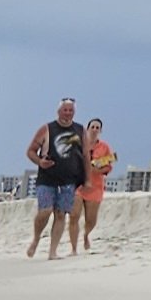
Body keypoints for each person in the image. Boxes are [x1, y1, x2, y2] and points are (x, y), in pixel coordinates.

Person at [25, 99, 88, 258]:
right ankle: (36, 239)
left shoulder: (80, 130)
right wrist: (40, 162)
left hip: (69, 180)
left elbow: (86, 155)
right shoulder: (47, 129)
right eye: (65, 110)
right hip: (47, 178)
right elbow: (31, 151)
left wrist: (87, 179)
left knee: (61, 214)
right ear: (58, 112)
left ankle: (53, 251)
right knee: (45, 211)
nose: (68, 113)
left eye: (70, 110)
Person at [77, 117, 115, 249]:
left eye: (97, 128)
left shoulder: (104, 147)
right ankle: (73, 246)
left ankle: (86, 235)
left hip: (95, 186)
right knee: (74, 214)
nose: (94, 130)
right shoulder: (79, 144)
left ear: (100, 131)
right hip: (79, 184)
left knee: (91, 220)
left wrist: (96, 170)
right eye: (92, 127)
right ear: (87, 129)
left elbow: (109, 166)